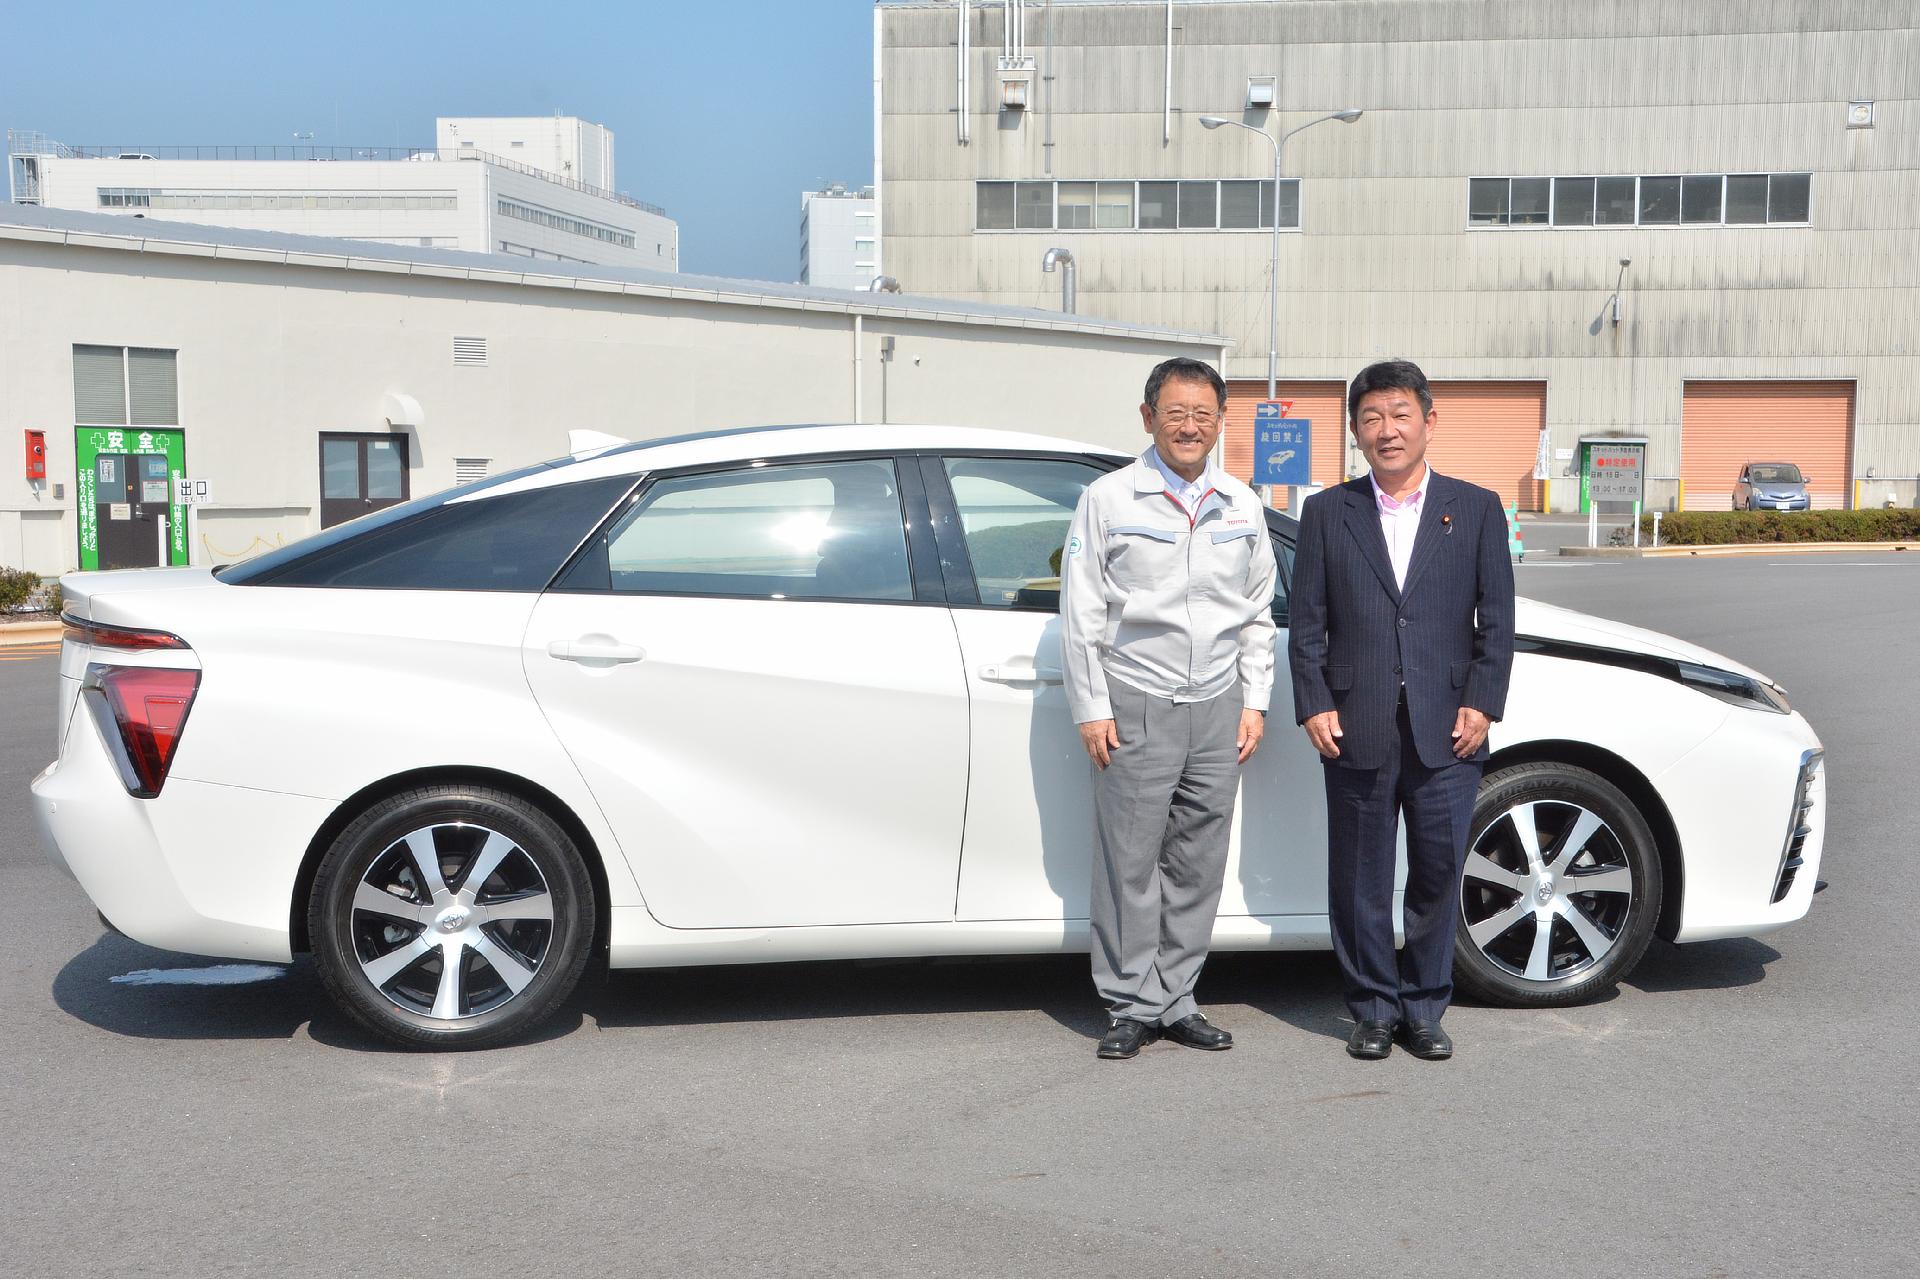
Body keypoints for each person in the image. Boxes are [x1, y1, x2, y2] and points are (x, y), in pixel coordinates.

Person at [1286, 359, 1515, 1061]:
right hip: (1356, 721)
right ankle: (1372, 1010)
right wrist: (1314, 702)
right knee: (1358, 874)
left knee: (1439, 869)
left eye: (1400, 415)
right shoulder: (1328, 512)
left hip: (1450, 725)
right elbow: (1306, 625)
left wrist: (1482, 700)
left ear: (1428, 422)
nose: (1387, 431)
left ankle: (1424, 1007)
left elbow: (1497, 620)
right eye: (1372, 418)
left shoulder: (1475, 507)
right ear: (1356, 430)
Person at [1060, 357, 1277, 1060]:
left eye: (1203, 414)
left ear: (1220, 422)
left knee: (1196, 860)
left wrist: (1256, 700)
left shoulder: (1241, 504)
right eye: (1175, 413)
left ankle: (1177, 997)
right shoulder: (1110, 499)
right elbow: (1082, 609)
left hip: (1217, 705)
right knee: (1128, 861)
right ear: (1148, 416)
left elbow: (1255, 612)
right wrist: (1092, 706)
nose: (1190, 426)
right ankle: (1130, 1002)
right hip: (1137, 700)